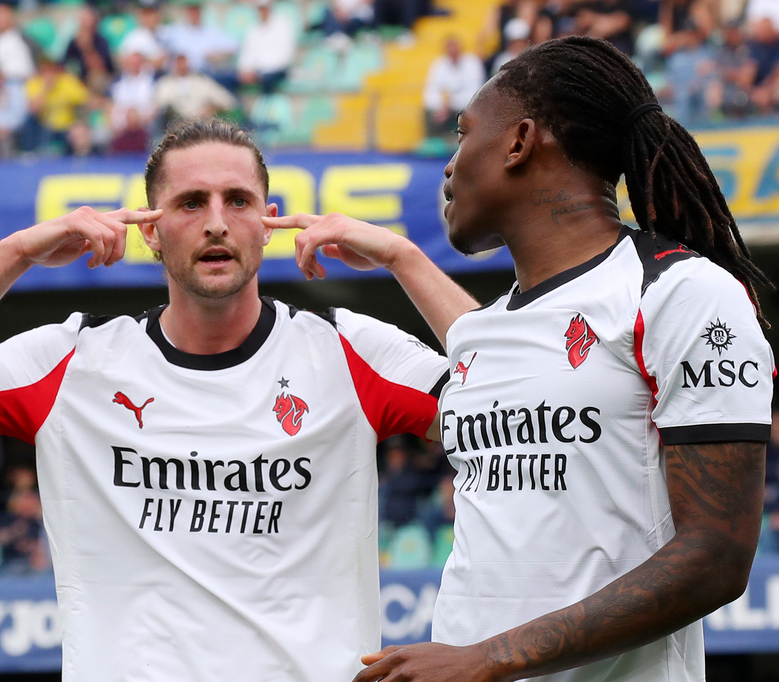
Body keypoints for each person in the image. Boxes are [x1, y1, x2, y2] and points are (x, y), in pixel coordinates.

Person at [0, 117, 477, 681]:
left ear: (269, 221)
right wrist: (13, 254)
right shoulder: (72, 359)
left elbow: (509, 405)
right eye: (188, 202)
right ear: (150, 231)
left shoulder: (348, 350)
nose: (215, 221)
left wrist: (405, 257)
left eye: (238, 201)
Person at [274, 36, 774, 682]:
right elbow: (506, 358)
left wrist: (488, 658)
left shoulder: (682, 293)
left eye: (462, 135)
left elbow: (717, 557)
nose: (450, 167)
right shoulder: (495, 326)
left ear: (519, 141)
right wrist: (402, 256)